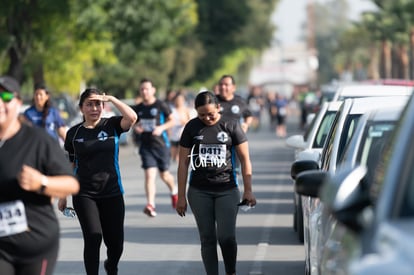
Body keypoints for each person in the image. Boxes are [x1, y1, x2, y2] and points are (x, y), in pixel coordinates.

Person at [0, 75, 79, 275]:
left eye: (6, 96)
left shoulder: (37, 141)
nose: (0, 102)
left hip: (33, 244)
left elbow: (71, 184)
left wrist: (41, 182)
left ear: (17, 102)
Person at [58, 88, 137, 275]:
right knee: (93, 238)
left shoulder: (112, 125)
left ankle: (111, 265)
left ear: (103, 106)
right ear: (81, 108)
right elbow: (69, 165)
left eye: (98, 104)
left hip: (112, 192)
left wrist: (111, 98)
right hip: (84, 193)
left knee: (115, 243)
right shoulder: (73, 134)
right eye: (89, 104)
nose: (94, 108)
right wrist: (62, 195)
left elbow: (132, 117)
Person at [176, 91, 256, 275]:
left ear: (218, 107)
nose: (206, 118)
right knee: (207, 238)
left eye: (210, 113)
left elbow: (245, 160)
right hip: (199, 191)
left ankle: (231, 271)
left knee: (226, 237)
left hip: (227, 189)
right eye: (201, 115)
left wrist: (248, 190)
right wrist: (181, 196)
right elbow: (183, 163)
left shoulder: (231, 125)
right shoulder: (191, 127)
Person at [131, 78, 178, 217]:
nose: (144, 91)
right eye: (142, 89)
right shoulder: (138, 108)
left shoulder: (160, 105)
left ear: (153, 90)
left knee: (164, 175)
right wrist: (137, 127)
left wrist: (161, 128)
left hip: (161, 145)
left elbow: (172, 121)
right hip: (146, 146)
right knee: (149, 175)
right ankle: (151, 204)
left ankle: (174, 190)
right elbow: (132, 121)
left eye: (147, 89)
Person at [169, 92, 192, 162]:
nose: (179, 102)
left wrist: (184, 122)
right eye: (177, 100)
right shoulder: (171, 110)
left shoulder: (186, 110)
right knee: (173, 157)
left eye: (181, 100)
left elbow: (190, 121)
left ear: (183, 101)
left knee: (180, 157)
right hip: (173, 135)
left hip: (183, 134)